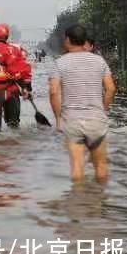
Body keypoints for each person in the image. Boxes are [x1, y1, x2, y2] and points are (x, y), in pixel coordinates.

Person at [49, 24, 116, 182]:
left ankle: (79, 202)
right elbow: (111, 89)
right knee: (100, 167)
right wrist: (103, 110)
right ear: (84, 40)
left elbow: (53, 92)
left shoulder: (60, 63)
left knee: (77, 168)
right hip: (97, 121)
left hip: (72, 122)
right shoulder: (99, 61)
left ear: (67, 40)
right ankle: (99, 201)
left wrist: (58, 119)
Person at [0, 23, 33, 129]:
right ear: (7, 36)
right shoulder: (15, 49)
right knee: (13, 125)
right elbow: (23, 71)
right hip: (12, 90)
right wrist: (26, 88)